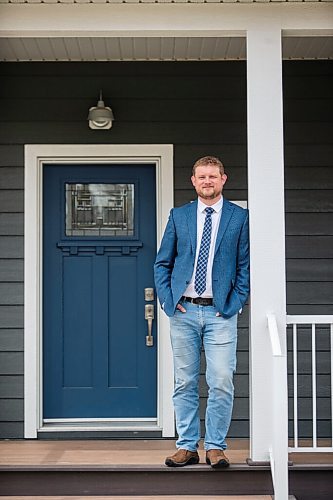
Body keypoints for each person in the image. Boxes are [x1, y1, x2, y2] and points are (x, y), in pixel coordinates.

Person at [154, 156, 249, 468]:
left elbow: (246, 266)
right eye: (202, 177)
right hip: (184, 312)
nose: (207, 181)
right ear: (193, 181)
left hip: (220, 314)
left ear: (224, 179)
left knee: (221, 380)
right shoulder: (179, 216)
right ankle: (186, 446)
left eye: (213, 176)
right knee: (184, 382)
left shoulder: (239, 217)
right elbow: (162, 263)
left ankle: (216, 447)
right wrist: (169, 302)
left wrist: (234, 304)